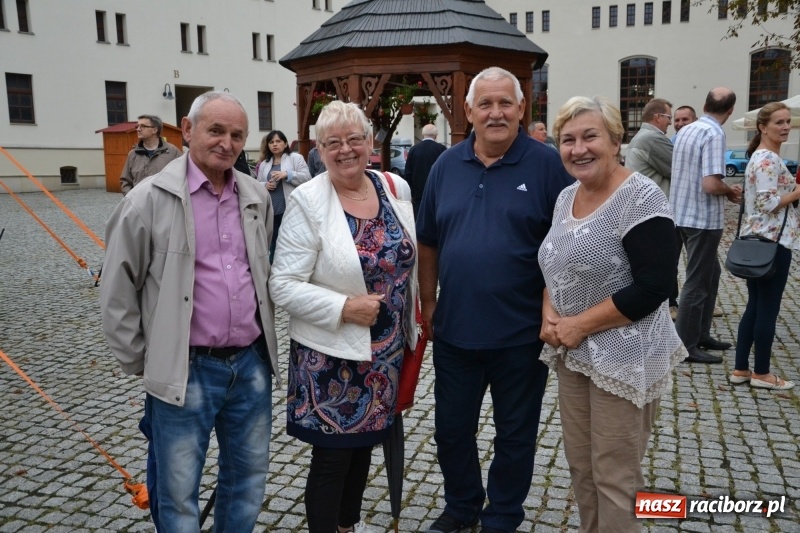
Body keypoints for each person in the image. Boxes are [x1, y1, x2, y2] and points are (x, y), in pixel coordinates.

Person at [100, 91, 280, 533]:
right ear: (187, 128)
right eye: (216, 130)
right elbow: (117, 287)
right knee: (177, 491)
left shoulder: (256, 196)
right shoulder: (148, 199)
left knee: (247, 481)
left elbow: (261, 273)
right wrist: (145, 359)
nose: (227, 142)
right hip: (186, 366)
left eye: (237, 134)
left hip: (251, 365)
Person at [417, 66, 573, 533]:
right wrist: (428, 303)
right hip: (456, 331)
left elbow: (567, 244)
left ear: (523, 108)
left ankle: (503, 514)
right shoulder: (446, 165)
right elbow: (427, 241)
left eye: (505, 102)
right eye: (485, 104)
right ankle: (462, 504)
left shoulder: (549, 166)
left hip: (522, 334)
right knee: (450, 430)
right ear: (468, 111)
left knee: (516, 435)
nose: (496, 112)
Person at [269, 100, 417, 533]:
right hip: (331, 353)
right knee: (333, 457)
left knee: (366, 445)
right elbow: (283, 285)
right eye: (333, 142)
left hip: (384, 353)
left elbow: (406, 261)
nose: (346, 149)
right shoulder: (308, 201)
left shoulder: (394, 187)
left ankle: (347, 525)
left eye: (355, 139)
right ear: (319, 149)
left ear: (371, 142)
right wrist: (344, 307)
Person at [540, 95, 685, 532]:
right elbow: (555, 261)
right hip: (574, 353)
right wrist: (549, 313)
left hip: (624, 356)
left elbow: (654, 287)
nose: (578, 148)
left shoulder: (640, 196)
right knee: (582, 470)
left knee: (616, 476)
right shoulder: (567, 196)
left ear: (616, 139)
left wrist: (578, 325)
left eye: (590, 136)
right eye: (568, 140)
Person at [670, 88, 742, 364]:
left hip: (683, 214)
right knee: (697, 283)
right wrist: (731, 191)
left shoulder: (688, 130)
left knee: (711, 275)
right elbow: (711, 184)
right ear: (731, 110)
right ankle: (685, 345)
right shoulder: (714, 134)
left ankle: (700, 334)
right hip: (702, 219)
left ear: (704, 105)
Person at [731, 102, 799, 390]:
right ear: (762, 127)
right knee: (767, 308)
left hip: (757, 240)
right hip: (772, 241)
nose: (785, 127)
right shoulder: (767, 159)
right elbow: (767, 202)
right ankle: (761, 373)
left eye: (787, 121)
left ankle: (741, 369)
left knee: (756, 306)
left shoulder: (760, 157)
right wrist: (797, 192)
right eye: (778, 123)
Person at [624, 98, 679, 319]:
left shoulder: (642, 136)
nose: (671, 124)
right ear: (658, 117)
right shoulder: (653, 138)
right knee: (663, 263)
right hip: (653, 211)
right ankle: (666, 306)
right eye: (669, 118)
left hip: (641, 209)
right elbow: (679, 170)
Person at [255, 130, 312, 262]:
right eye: (271, 142)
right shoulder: (265, 164)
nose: (275, 144)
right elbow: (256, 183)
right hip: (271, 209)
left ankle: (293, 266)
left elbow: (307, 178)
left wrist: (287, 174)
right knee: (273, 241)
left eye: (278, 141)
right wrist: (265, 185)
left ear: (285, 143)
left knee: (291, 240)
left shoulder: (295, 158)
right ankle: (273, 268)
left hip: (290, 208)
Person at [119, 114, 181, 195]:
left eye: (142, 126)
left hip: (164, 204)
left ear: (154, 130)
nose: (138, 129)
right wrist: (132, 199)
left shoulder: (172, 151)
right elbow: (125, 181)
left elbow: (182, 177)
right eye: (137, 126)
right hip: (139, 205)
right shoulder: (133, 154)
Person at [405, 123, 447, 216]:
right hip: (437, 194)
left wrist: (411, 193)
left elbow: (408, 173)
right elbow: (446, 172)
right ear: (436, 136)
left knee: (419, 222)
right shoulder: (441, 149)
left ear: (423, 134)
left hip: (419, 194)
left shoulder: (413, 149)